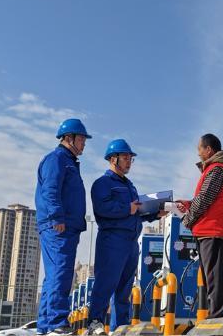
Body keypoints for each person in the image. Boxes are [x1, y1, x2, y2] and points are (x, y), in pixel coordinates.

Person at [85, 139, 163, 335]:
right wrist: (127, 208)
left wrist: (155, 213)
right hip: (112, 240)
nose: (129, 162)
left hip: (131, 242)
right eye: (126, 158)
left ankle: (120, 327)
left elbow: (136, 212)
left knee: (125, 288)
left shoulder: (130, 186)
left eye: (130, 159)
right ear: (113, 159)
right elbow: (101, 208)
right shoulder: (103, 183)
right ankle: (95, 323)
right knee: (105, 283)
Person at [35, 118, 91, 336]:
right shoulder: (57, 159)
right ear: (69, 138)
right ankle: (57, 323)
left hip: (65, 226)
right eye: (81, 139)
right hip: (59, 226)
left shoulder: (67, 161)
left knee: (54, 276)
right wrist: (57, 217)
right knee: (60, 273)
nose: (84, 143)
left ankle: (45, 326)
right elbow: (50, 189)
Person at [178, 133, 223, 319]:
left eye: (199, 149)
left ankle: (217, 320)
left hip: (214, 232)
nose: (198, 153)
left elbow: (204, 199)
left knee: (215, 279)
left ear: (209, 150)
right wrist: (188, 204)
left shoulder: (217, 169)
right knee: (213, 278)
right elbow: (208, 199)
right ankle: (216, 317)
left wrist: (187, 219)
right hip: (213, 231)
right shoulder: (219, 169)